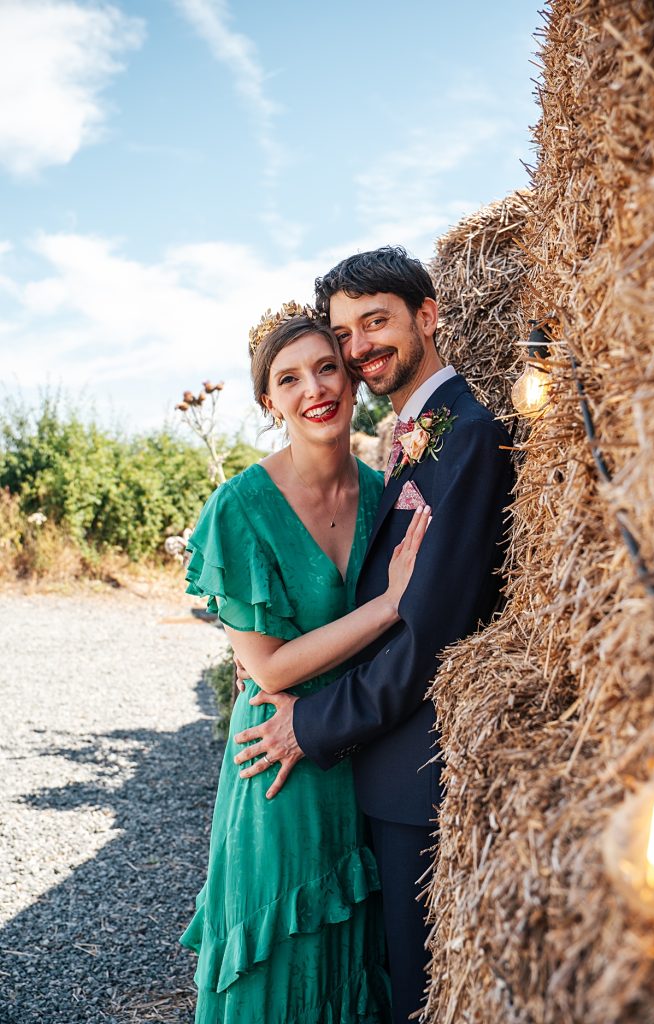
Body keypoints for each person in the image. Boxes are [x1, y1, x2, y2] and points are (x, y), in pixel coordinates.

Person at [233, 247, 514, 1023]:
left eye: (375, 321)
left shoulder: (467, 439)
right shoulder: (414, 438)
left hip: (411, 776)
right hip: (376, 770)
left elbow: (426, 631)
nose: (358, 348)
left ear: (427, 315)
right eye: (344, 331)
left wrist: (311, 725)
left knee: (415, 992)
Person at [179, 302, 430, 1024]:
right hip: (280, 761)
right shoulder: (238, 509)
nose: (314, 389)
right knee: (284, 965)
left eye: (327, 368)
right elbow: (270, 669)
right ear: (268, 400)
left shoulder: (387, 495)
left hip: (363, 755)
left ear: (351, 380)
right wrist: (386, 605)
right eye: (289, 379)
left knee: (357, 965)